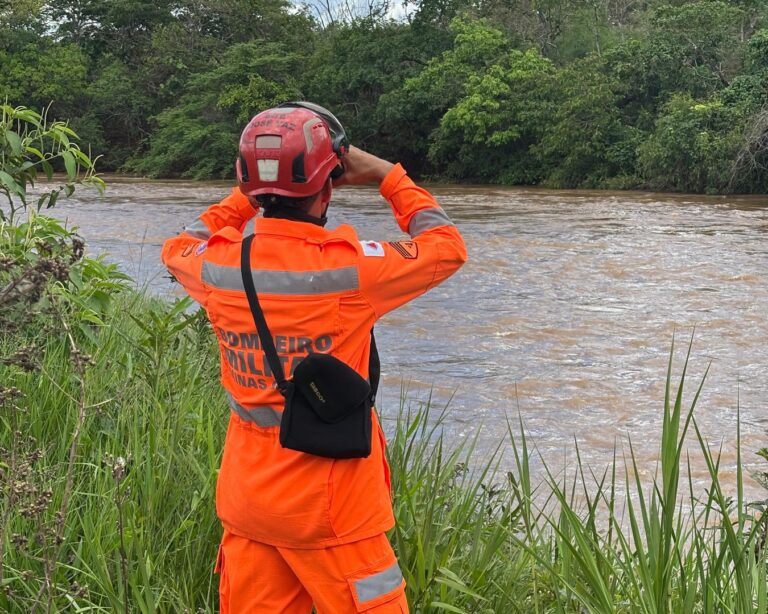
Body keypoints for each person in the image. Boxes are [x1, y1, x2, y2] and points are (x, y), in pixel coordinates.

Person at [161, 103, 467, 613]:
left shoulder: (216, 265)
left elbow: (180, 243)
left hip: (249, 506)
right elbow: (446, 245)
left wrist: (249, 195)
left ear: (248, 185)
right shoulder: (352, 272)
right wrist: (389, 176)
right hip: (332, 511)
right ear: (328, 185)